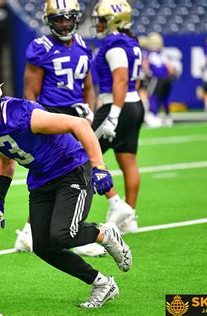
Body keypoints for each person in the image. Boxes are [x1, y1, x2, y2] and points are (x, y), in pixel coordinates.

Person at [0, 68, 132, 309]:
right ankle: (101, 283)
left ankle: (104, 234)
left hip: (71, 168)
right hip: (41, 178)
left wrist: (99, 166)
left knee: (62, 234)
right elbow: (7, 159)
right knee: (43, 246)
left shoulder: (23, 115)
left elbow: (79, 125)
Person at [14, 0, 105, 257]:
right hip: (51, 117)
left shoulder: (83, 45)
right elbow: (30, 92)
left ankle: (29, 233)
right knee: (68, 174)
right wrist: (35, 124)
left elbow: (88, 86)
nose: (65, 23)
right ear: (49, 20)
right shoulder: (40, 48)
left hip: (76, 118)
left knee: (73, 175)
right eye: (59, 19)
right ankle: (75, 232)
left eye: (68, 18)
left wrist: (89, 110)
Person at [91, 0, 144, 233]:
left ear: (114, 20)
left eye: (102, 19)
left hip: (117, 106)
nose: (99, 24)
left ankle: (117, 204)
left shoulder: (114, 45)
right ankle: (129, 217)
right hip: (134, 104)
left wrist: (113, 114)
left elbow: (120, 79)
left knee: (83, 155)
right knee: (128, 161)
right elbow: (135, 80)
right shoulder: (131, 42)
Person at [146, 31, 175, 127]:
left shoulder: (149, 54)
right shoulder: (163, 54)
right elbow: (170, 68)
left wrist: (147, 74)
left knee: (152, 96)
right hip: (166, 78)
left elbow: (145, 66)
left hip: (156, 78)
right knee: (165, 98)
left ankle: (154, 116)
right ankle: (167, 116)